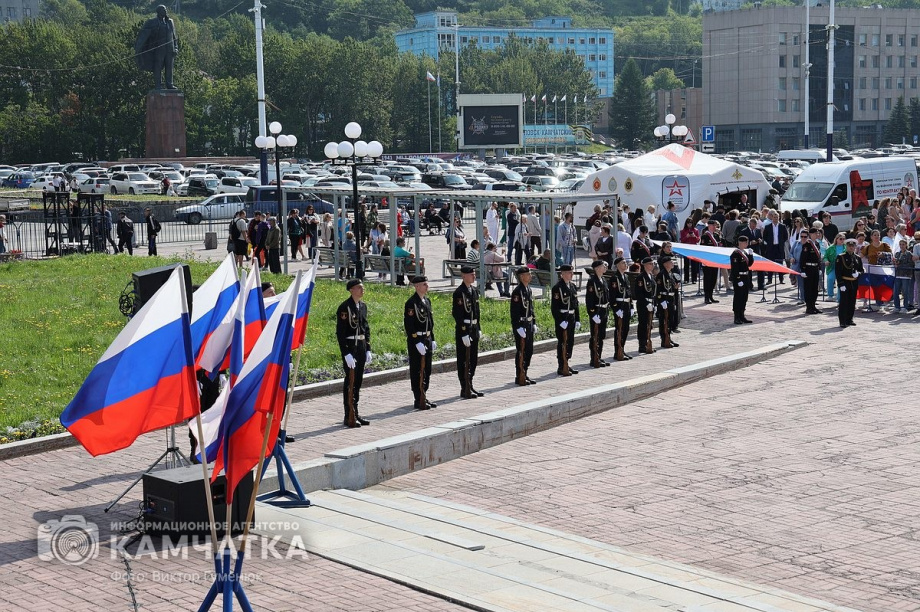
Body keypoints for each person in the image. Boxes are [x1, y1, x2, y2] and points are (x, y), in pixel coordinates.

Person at [336, 279, 371, 428]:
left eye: (362, 287)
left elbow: (366, 328)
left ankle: (355, 412)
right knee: (350, 382)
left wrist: (368, 348)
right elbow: (340, 333)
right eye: (358, 288)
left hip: (361, 346)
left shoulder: (362, 306)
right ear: (351, 290)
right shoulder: (345, 307)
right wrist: (346, 353)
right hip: (351, 347)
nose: (362, 290)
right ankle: (348, 414)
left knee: (358, 381)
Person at [404, 275, 436, 411]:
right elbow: (409, 324)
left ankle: (424, 393)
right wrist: (416, 341)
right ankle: (418, 397)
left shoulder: (426, 301)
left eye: (426, 284)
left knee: (427, 369)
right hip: (417, 340)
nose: (427, 286)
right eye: (424, 284)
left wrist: (432, 338)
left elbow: (430, 322)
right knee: (417, 369)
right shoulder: (411, 303)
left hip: (427, 339)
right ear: (416, 286)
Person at [453, 265, 483, 398]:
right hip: (464, 329)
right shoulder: (459, 293)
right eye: (471, 274)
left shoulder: (474, 291)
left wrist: (479, 328)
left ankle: (470, 384)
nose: (474, 276)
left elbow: (477, 312)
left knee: (473, 359)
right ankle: (464, 387)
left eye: (474, 274)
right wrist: (464, 332)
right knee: (464, 359)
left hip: (474, 328)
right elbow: (457, 314)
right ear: (463, 276)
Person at [134, 5, 179, 90]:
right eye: (163, 10)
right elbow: (144, 33)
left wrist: (176, 47)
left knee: (169, 67)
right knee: (157, 67)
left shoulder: (170, 21)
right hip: (159, 49)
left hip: (170, 49)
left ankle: (170, 84)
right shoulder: (153, 22)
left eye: (165, 9)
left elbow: (174, 36)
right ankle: (158, 85)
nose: (165, 11)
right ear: (158, 12)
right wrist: (139, 47)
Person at [551, 264, 580, 376]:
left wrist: (577, 319)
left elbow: (575, 304)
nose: (571, 274)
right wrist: (559, 321)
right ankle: (561, 365)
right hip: (563, 319)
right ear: (562, 274)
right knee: (562, 342)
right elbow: (555, 307)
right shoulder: (557, 288)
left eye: (572, 272)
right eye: (569, 272)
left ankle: (566, 362)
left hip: (571, 318)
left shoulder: (572, 286)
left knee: (570, 342)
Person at [510, 266, 536, 386]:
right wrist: (517, 327)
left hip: (529, 324)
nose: (530, 276)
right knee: (521, 351)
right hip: (521, 325)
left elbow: (531, 308)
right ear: (522, 277)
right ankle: (519, 374)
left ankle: (525, 372)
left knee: (529, 350)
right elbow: (514, 312)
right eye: (528, 274)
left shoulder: (528, 289)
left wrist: (534, 322)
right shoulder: (517, 292)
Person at [584, 260, 610, 368]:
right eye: (603, 266)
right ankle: (593, 358)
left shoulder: (603, 280)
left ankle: (599, 356)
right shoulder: (592, 282)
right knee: (595, 336)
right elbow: (589, 300)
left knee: (601, 336)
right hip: (597, 312)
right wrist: (592, 314)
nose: (605, 267)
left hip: (603, 311)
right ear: (597, 268)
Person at [835, 238, 863, 327]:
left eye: (853, 246)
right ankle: (842, 321)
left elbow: (861, 270)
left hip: (854, 282)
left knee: (852, 302)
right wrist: (840, 284)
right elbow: (838, 272)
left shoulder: (857, 258)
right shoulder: (841, 257)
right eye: (849, 246)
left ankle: (849, 319)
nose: (851, 247)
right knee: (844, 302)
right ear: (846, 246)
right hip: (845, 281)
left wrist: (858, 274)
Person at [610, 256, 632, 361]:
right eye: (623, 263)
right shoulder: (615, 278)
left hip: (626, 306)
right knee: (619, 329)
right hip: (620, 306)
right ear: (618, 265)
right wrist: (616, 308)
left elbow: (629, 293)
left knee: (626, 329)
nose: (626, 265)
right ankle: (617, 350)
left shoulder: (625, 277)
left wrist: (631, 306)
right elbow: (612, 296)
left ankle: (622, 349)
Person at [729, 235, 754, 324]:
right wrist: (738, 279)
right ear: (741, 243)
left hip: (746, 276)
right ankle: (737, 316)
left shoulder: (745, 253)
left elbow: (749, 264)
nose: (747, 244)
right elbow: (735, 268)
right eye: (745, 242)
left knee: (744, 297)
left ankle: (742, 315)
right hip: (739, 277)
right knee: (738, 297)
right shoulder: (736, 254)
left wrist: (751, 255)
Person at [655, 256, 680, 347]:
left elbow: (671, 287)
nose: (672, 263)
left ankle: (668, 337)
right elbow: (658, 289)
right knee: (664, 321)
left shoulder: (671, 274)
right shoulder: (661, 275)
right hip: (664, 299)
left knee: (670, 320)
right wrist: (661, 300)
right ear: (665, 264)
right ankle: (664, 339)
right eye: (671, 262)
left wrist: (675, 287)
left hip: (671, 299)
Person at [635, 256, 657, 355]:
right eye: (650, 264)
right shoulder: (641, 277)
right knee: (643, 324)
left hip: (650, 303)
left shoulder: (651, 276)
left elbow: (653, 292)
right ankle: (642, 345)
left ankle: (647, 342)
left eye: (652, 264)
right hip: (643, 304)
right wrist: (646, 303)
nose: (652, 266)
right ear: (644, 265)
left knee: (649, 325)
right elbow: (639, 294)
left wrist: (654, 304)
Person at [738, 217, 765, 291]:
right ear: (749, 224)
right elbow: (741, 241)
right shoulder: (744, 231)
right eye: (752, 225)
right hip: (747, 252)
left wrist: (760, 240)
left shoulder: (758, 231)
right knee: (748, 269)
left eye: (755, 226)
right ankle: (749, 285)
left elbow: (760, 239)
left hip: (757, 251)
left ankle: (761, 285)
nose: (753, 227)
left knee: (760, 269)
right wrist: (750, 243)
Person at [800, 227, 823, 314]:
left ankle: (813, 306)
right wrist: (802, 270)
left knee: (815, 288)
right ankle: (809, 307)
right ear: (811, 234)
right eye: (816, 233)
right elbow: (803, 258)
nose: (817, 235)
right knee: (808, 288)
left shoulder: (817, 244)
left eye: (818, 233)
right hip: (808, 268)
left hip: (815, 268)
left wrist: (820, 268)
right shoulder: (807, 244)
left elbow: (818, 258)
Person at [700, 219, 721, 303]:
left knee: (713, 278)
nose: (714, 227)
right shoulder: (705, 236)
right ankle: (706, 297)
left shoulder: (716, 235)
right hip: (707, 260)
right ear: (709, 226)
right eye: (713, 225)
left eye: (715, 225)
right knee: (707, 279)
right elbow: (703, 248)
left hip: (715, 260)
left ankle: (711, 296)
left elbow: (720, 245)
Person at [824, 233, 846, 302]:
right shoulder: (831, 247)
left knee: (841, 281)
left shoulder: (846, 247)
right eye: (840, 239)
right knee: (830, 279)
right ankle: (830, 295)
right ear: (836, 239)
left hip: (842, 268)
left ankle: (839, 298)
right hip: (832, 266)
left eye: (843, 239)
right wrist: (826, 261)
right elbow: (825, 256)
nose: (842, 240)